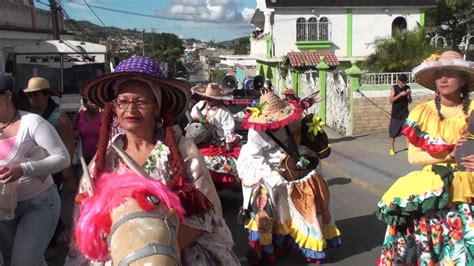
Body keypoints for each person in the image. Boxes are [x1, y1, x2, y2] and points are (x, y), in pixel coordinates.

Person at [73, 56, 239, 265]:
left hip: (177, 252)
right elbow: (85, 219)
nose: (130, 110)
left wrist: (157, 252)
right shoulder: (105, 159)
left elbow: (208, 213)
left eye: (141, 102)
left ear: (157, 108)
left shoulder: (182, 151)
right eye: (123, 101)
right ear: (114, 108)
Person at [376, 51, 474, 265]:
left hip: (468, 194)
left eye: (450, 73)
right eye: (439, 74)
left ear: (464, 78)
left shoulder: (473, 110)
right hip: (434, 193)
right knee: (431, 252)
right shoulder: (422, 112)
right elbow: (414, 156)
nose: (444, 79)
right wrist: (449, 154)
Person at [237, 90, 341, 265]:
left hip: (291, 165)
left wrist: (304, 157)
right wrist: (273, 177)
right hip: (266, 170)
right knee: (267, 209)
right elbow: (256, 157)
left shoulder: (293, 120)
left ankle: (303, 239)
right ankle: (264, 248)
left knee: (303, 203)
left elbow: (299, 141)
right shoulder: (256, 133)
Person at [0, 73, 70, 265]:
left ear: (7, 96)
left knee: (22, 263)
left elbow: (63, 158)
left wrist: (23, 169)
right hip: (4, 208)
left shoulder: (32, 122)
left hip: (40, 204)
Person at [24, 76, 76, 257]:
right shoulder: (29, 116)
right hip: (35, 166)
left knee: (51, 203)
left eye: (37, 95)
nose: (34, 100)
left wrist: (67, 168)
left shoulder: (59, 118)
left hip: (55, 168)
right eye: (31, 96)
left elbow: (69, 143)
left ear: (47, 96)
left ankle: (53, 242)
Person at [189, 83, 241, 191]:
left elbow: (228, 131)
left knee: (206, 158)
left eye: (211, 98)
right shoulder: (199, 106)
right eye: (207, 97)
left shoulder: (224, 112)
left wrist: (228, 143)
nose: (208, 100)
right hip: (199, 141)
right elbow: (192, 124)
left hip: (216, 144)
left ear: (217, 99)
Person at [72, 97, 102, 165]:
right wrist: (75, 133)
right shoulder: (79, 116)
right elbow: (70, 132)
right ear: (85, 105)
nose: (95, 104)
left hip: (99, 157)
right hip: (81, 158)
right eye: (92, 102)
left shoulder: (103, 117)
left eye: (97, 102)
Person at [388, 74, 411, 156]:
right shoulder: (394, 88)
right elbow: (391, 100)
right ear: (398, 81)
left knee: (407, 131)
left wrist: (409, 95)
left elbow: (410, 101)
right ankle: (391, 147)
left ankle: (408, 148)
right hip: (396, 113)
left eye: (405, 82)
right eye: (402, 82)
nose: (404, 84)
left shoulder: (407, 87)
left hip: (405, 112)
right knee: (393, 132)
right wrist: (400, 95)